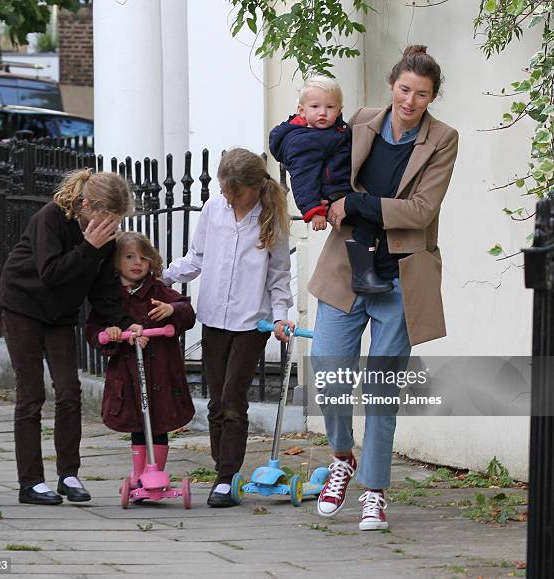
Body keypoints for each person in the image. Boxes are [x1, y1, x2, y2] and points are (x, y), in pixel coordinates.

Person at [310, 45, 459, 530]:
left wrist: (354, 204)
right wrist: (325, 200)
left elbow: (419, 212)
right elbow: (311, 155)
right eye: (404, 89)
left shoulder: (443, 139)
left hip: (399, 278)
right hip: (345, 270)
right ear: (392, 85)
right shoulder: (359, 121)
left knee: (381, 392)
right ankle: (341, 458)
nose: (411, 101)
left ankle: (374, 491)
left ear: (432, 97)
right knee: (329, 372)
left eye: (422, 94)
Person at [0, 169, 141, 506]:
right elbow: (51, 274)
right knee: (31, 393)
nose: (111, 226)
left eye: (116, 220)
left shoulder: (104, 238)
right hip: (23, 305)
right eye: (106, 217)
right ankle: (30, 482)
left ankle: (68, 474)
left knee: (69, 392)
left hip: (60, 315)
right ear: (85, 205)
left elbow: (104, 290)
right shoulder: (49, 219)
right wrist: (89, 246)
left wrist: (126, 322)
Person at [162, 148, 294, 508]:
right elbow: (197, 257)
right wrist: (161, 276)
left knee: (234, 399)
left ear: (253, 188)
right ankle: (222, 469)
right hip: (214, 319)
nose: (227, 197)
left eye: (232, 192)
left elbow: (279, 274)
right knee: (216, 401)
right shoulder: (213, 209)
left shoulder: (270, 216)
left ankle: (226, 477)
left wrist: (281, 315)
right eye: (223, 190)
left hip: (252, 322)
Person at [85, 231, 196, 488]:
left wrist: (172, 309)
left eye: (144, 258)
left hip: (161, 371)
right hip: (129, 373)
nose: (138, 263)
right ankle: (138, 474)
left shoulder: (157, 289)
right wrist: (109, 334)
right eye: (129, 257)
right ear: (115, 262)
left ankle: (156, 473)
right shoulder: (110, 296)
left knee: (161, 423)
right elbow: (93, 328)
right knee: (138, 422)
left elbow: (187, 312)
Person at [269, 75, 391, 294]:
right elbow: (303, 179)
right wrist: (315, 210)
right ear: (301, 110)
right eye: (315, 106)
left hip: (340, 187)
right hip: (331, 193)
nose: (323, 112)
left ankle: (366, 269)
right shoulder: (304, 140)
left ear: (340, 109)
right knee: (367, 218)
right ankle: (363, 274)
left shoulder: (329, 131)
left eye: (330, 107)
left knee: (370, 216)